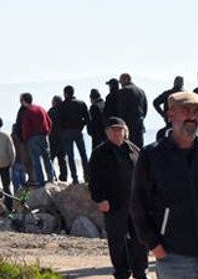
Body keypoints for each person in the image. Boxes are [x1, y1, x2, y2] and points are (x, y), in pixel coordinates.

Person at [131, 92, 198, 278]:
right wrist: (154, 245)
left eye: (197, 111)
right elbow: (138, 205)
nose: (192, 116)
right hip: (175, 258)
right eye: (185, 110)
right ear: (170, 114)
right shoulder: (151, 155)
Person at [89, 117, 148, 279]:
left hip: (135, 203)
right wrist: (99, 199)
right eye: (113, 130)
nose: (117, 133)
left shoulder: (134, 150)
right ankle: (121, 272)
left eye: (119, 129)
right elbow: (93, 180)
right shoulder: (99, 153)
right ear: (107, 132)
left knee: (140, 239)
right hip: (113, 203)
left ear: (125, 131)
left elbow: (145, 176)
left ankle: (140, 271)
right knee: (117, 240)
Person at [56, 85, 90, 184]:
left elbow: (58, 121)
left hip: (66, 132)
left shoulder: (62, 105)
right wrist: (81, 126)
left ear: (65, 93)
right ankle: (87, 176)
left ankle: (75, 178)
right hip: (78, 131)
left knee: (70, 156)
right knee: (83, 154)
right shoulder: (81, 103)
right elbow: (87, 119)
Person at [19, 93, 54, 185]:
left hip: (32, 138)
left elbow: (25, 127)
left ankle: (41, 181)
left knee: (36, 160)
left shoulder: (27, 112)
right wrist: (47, 133)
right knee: (47, 158)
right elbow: (49, 122)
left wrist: (25, 138)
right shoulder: (40, 109)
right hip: (43, 136)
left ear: (24, 101)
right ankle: (51, 178)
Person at [118, 73, 148, 148]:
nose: (120, 83)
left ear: (126, 79)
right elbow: (145, 107)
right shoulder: (141, 91)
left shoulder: (123, 91)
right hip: (139, 122)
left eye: (121, 81)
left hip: (129, 124)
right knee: (139, 147)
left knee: (129, 148)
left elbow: (122, 109)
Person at [47, 96, 67, 182]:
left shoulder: (51, 112)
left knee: (50, 159)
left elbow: (47, 124)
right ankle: (63, 177)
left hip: (53, 138)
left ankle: (52, 176)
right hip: (63, 138)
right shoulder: (64, 111)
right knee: (62, 159)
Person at [10, 125, 29, 194]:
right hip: (23, 162)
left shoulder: (12, 137)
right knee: (24, 184)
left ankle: (16, 200)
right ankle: (25, 198)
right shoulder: (23, 138)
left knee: (16, 184)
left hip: (15, 162)